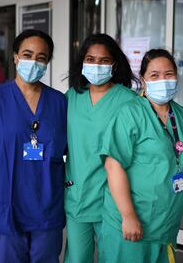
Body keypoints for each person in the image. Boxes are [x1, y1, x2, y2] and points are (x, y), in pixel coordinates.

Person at [99, 49, 183, 262]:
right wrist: (128, 216)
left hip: (165, 223)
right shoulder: (130, 113)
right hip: (131, 222)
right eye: (154, 75)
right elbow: (113, 165)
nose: (163, 80)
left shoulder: (182, 115)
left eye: (169, 74)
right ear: (144, 80)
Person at [0, 29, 67, 263]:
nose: (33, 62)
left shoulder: (60, 103)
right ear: (15, 57)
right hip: (6, 206)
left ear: (47, 62)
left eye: (41, 57)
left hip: (47, 208)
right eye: (27, 54)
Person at [64, 33, 137, 263]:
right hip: (78, 196)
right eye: (91, 59)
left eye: (104, 60)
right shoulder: (71, 97)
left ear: (115, 64)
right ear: (82, 62)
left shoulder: (130, 102)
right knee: (76, 259)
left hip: (114, 201)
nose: (97, 65)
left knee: (114, 258)